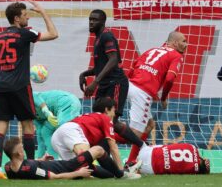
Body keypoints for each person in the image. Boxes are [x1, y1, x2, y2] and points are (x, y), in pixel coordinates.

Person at [0, 1, 58, 179]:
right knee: (28, 126)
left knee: (1, 127)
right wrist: (42, 12)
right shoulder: (25, 34)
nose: (28, 17)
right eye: (26, 15)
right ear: (17, 18)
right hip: (20, 86)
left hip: (2, 87)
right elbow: (54, 34)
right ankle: (31, 165)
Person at [79, 9, 144, 151]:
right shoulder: (98, 38)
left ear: (103, 22)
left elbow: (113, 60)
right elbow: (101, 66)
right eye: (90, 19)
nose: (91, 22)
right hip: (104, 85)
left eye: (94, 20)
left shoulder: (106, 36)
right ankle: (140, 146)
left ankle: (141, 148)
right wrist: (85, 74)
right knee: (101, 120)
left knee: (110, 122)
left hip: (116, 83)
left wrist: (94, 82)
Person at [125, 31, 187, 165]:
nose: (186, 45)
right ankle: (105, 139)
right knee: (135, 133)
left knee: (149, 124)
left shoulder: (152, 49)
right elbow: (170, 79)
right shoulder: (176, 55)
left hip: (129, 85)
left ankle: (130, 162)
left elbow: (132, 67)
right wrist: (163, 98)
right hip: (142, 92)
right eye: (184, 41)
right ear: (175, 43)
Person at [51, 97, 142, 179]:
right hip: (72, 130)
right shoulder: (105, 118)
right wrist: (122, 172)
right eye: (114, 111)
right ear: (107, 110)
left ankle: (48, 169)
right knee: (85, 161)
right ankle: (123, 174)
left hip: (57, 136)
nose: (114, 115)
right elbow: (113, 147)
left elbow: (118, 138)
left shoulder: (93, 119)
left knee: (77, 170)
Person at [3, 136, 132, 179]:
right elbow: (53, 177)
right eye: (21, 148)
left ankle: (117, 174)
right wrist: (77, 173)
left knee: (91, 167)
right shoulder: (30, 168)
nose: (23, 149)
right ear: (18, 154)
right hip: (69, 167)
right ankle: (121, 174)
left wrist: (41, 161)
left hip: (65, 166)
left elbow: (25, 166)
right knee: (98, 149)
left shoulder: (9, 167)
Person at [33, 90, 82, 159]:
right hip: (61, 109)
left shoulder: (26, 96)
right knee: (45, 132)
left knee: (64, 131)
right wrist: (39, 159)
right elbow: (40, 137)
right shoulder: (33, 117)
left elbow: (35, 96)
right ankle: (54, 160)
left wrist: (47, 113)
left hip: (67, 102)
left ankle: (80, 159)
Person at [137, 142, 210, 175]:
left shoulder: (191, 146)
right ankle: (133, 169)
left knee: (164, 147)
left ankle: (131, 162)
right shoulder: (193, 170)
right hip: (149, 169)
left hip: (145, 152)